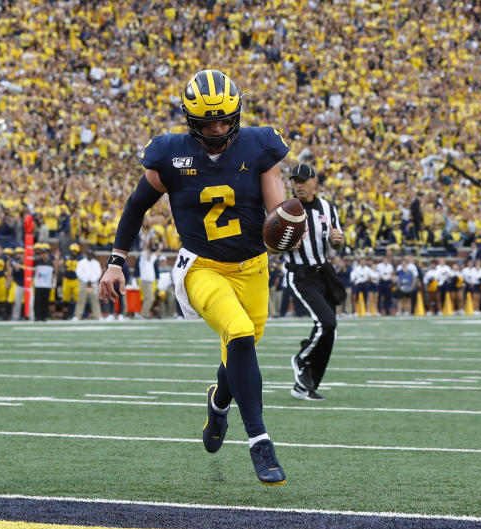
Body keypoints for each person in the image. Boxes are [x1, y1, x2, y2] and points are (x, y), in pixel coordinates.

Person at [99, 70, 290, 486]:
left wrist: (286, 227)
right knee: (238, 332)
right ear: (190, 119)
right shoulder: (169, 154)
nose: (218, 129)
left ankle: (219, 402)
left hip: (254, 266)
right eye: (207, 123)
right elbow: (136, 208)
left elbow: (278, 214)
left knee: (242, 346)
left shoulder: (260, 145)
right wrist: (117, 260)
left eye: (224, 120)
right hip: (201, 266)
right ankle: (260, 440)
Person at [283, 162, 345, 401]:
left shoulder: (328, 208)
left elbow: (336, 241)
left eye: (302, 181)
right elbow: (270, 244)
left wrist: (338, 240)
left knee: (330, 332)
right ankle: (301, 359)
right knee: (326, 323)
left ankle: (305, 386)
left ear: (313, 182)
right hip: (300, 274)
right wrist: (284, 243)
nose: (298, 186)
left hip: (323, 272)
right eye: (294, 181)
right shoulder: (286, 209)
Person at [75, 248, 102, 320]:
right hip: (84, 283)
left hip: (93, 283)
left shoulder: (96, 263)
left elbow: (99, 273)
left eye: (91, 254)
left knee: (95, 300)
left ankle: (98, 316)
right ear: (86, 255)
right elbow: (78, 272)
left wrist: (91, 280)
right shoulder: (81, 262)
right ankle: (77, 316)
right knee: (81, 300)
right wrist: (86, 280)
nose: (90, 256)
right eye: (88, 254)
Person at [33, 242, 55, 322]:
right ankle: (37, 316)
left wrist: (52, 282)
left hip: (47, 284)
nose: (43, 255)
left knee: (45, 301)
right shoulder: (37, 261)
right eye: (42, 253)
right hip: (39, 284)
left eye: (45, 253)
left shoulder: (51, 262)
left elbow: (53, 273)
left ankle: (44, 316)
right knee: (38, 301)